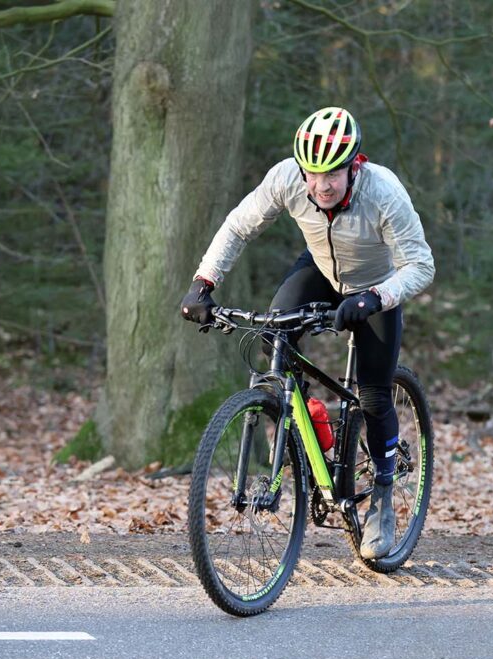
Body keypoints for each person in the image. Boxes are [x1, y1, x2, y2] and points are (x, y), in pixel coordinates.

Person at [180, 106, 435, 559]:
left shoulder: (384, 191)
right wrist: (204, 282)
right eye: (312, 174)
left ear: (353, 164)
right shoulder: (286, 179)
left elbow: (421, 266)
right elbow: (239, 226)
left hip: (375, 285)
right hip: (320, 269)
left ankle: (381, 495)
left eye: (332, 174)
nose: (321, 185)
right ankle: (310, 427)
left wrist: (375, 298)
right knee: (273, 338)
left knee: (374, 396)